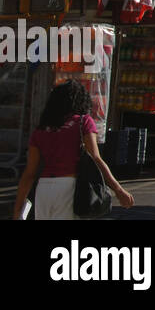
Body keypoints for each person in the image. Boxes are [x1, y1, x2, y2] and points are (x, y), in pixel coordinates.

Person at [13, 79, 135, 220]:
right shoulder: (83, 122)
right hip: (69, 187)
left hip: (43, 188)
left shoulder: (41, 130)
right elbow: (96, 158)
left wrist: (18, 210)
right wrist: (118, 190)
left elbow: (29, 173)